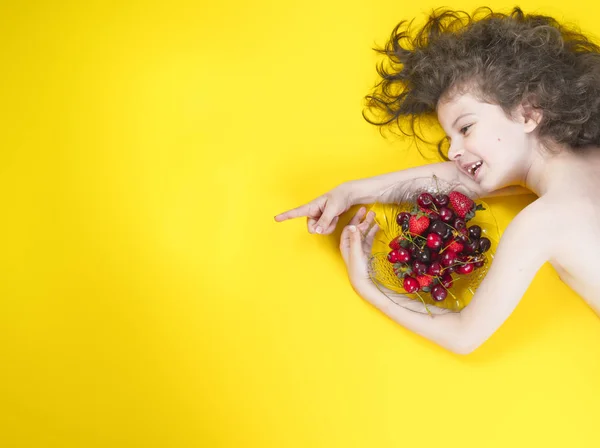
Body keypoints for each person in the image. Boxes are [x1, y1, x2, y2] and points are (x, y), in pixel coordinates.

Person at [274, 7, 600, 354]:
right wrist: (350, 192)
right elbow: (464, 181)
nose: (453, 152)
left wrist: (368, 285)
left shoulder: (542, 223)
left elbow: (464, 335)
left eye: (466, 128)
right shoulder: (585, 163)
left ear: (528, 112)